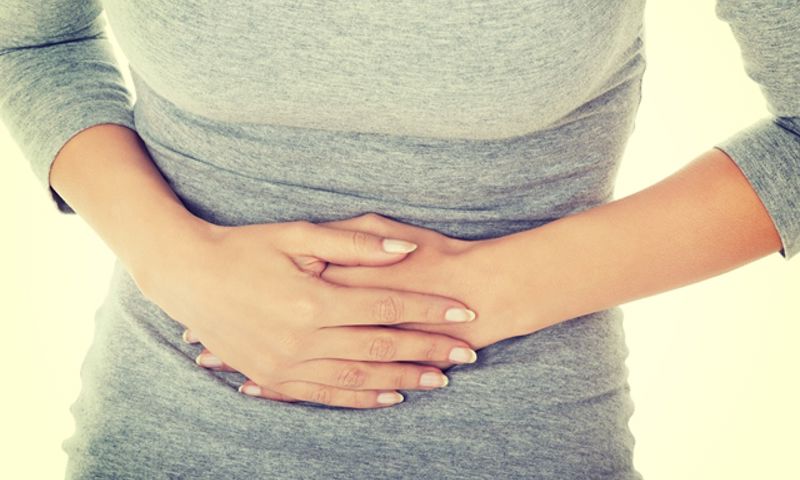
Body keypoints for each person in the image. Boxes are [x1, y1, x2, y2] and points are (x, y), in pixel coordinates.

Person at [1, 0, 797, 478]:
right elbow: (32, 38)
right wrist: (173, 259)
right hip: (162, 438)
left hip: (517, 448)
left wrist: (472, 297)